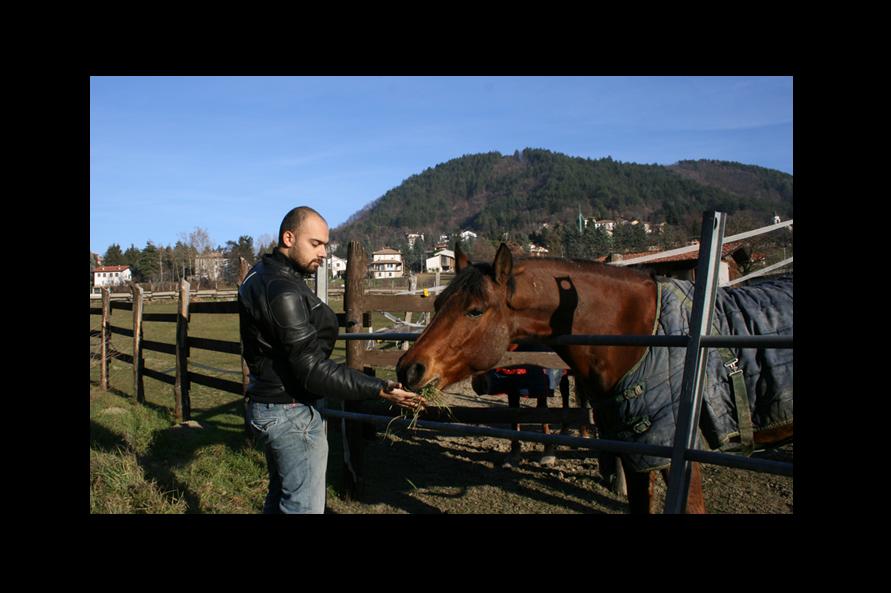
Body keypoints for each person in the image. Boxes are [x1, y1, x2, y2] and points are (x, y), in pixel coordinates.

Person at [238, 206, 424, 513]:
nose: (324, 252)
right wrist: (378, 388)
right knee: (303, 508)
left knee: (281, 498)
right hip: (291, 413)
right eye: (316, 244)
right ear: (288, 237)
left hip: (269, 404)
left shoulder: (261, 274)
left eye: (326, 244)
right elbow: (310, 369)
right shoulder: (281, 289)